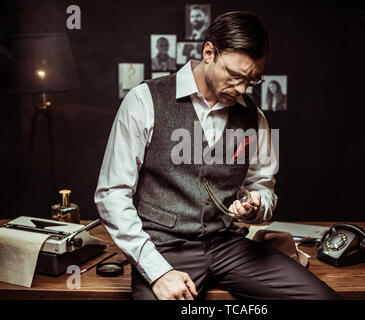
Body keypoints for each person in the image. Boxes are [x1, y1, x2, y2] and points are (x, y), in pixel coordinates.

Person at [95, 11, 340, 300]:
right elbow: (112, 195)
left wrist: (256, 203)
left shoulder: (253, 117)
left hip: (228, 246)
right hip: (162, 249)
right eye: (235, 75)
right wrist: (157, 270)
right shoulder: (144, 101)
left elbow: (263, 185)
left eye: (252, 80)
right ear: (209, 52)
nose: (242, 89)